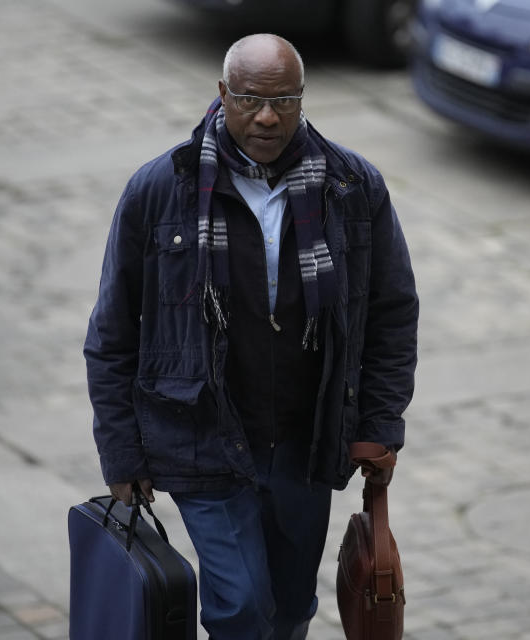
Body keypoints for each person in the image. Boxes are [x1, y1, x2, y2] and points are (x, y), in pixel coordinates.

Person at [84, 33, 418, 640]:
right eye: (250, 98)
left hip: (304, 442)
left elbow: (392, 312)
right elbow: (111, 332)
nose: (267, 116)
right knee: (239, 608)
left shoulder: (351, 186)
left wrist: (379, 423)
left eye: (285, 100)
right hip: (201, 439)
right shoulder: (160, 189)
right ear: (222, 95)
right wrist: (122, 451)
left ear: (302, 99)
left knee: (290, 609)